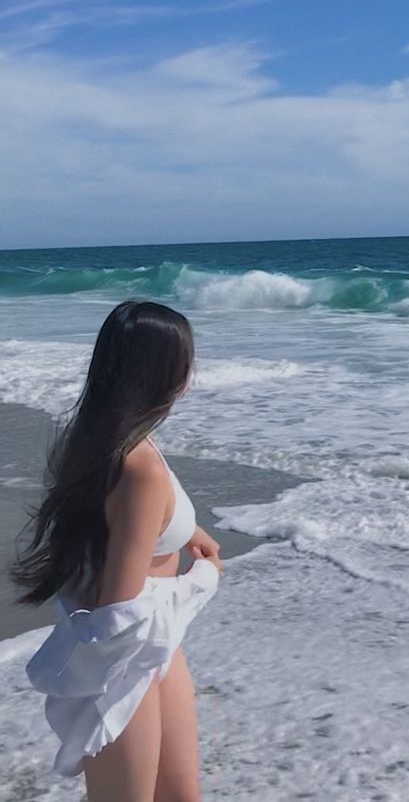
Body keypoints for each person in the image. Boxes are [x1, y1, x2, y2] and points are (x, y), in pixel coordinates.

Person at [11, 299, 222, 802]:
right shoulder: (140, 466)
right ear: (166, 372)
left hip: (152, 645)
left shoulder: (96, 439)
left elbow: (116, 527)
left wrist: (187, 533)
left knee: (181, 795)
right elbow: (119, 609)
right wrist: (203, 580)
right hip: (123, 661)